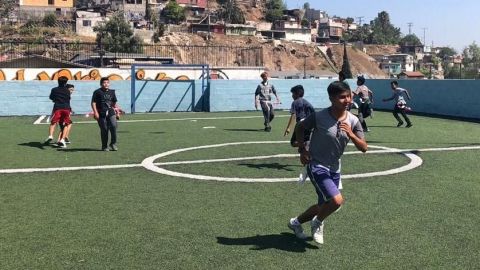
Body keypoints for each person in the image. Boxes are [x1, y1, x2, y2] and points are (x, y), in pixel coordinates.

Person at [287, 81, 368, 244]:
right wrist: (302, 150)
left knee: (325, 205)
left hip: (335, 168)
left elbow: (364, 147)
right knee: (336, 201)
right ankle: (317, 222)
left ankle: (295, 223)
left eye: (348, 96)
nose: (347, 100)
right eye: (342, 97)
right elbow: (300, 128)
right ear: (331, 98)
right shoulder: (319, 116)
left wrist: (351, 134)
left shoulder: (353, 121)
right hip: (316, 164)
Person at [91, 77, 119, 151]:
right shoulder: (97, 92)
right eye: (104, 82)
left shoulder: (112, 92)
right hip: (101, 112)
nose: (106, 84)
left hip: (111, 112)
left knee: (114, 126)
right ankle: (104, 146)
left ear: (109, 83)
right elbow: (93, 103)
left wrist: (117, 112)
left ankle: (113, 143)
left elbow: (114, 103)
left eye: (107, 82)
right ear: (101, 84)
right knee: (104, 129)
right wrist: (95, 112)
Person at [44, 76, 72, 148]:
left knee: (53, 122)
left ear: (58, 81)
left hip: (57, 108)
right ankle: (62, 139)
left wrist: (55, 99)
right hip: (66, 108)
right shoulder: (67, 91)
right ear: (66, 83)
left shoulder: (54, 89)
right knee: (66, 123)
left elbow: (51, 97)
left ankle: (50, 135)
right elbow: (68, 98)